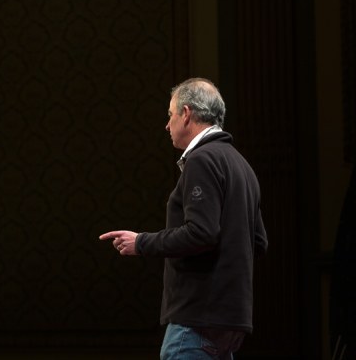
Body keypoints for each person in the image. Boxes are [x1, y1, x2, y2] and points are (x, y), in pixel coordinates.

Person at [99, 78, 268, 359]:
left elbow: (201, 233)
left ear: (186, 114)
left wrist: (141, 242)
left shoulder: (202, 160)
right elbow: (259, 243)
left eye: (170, 115)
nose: (167, 125)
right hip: (230, 324)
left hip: (197, 320)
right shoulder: (242, 165)